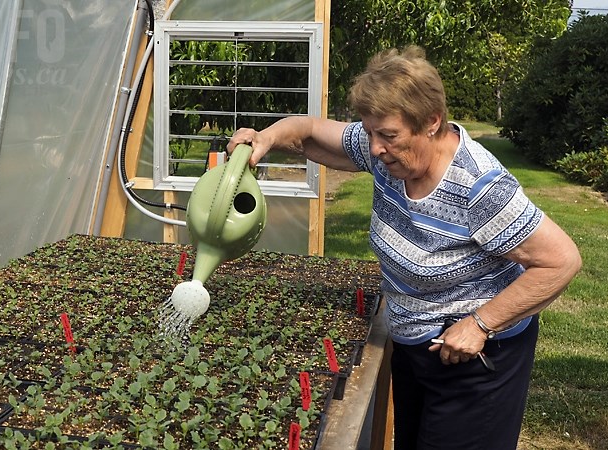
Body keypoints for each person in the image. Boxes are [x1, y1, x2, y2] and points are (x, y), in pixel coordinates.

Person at [227, 46, 582, 450]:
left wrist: (480, 324)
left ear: (431, 122)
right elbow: (308, 132)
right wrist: (265, 138)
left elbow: (561, 261)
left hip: (475, 362)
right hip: (416, 344)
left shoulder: (480, 187)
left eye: (388, 135)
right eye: (370, 132)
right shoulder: (386, 151)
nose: (375, 147)